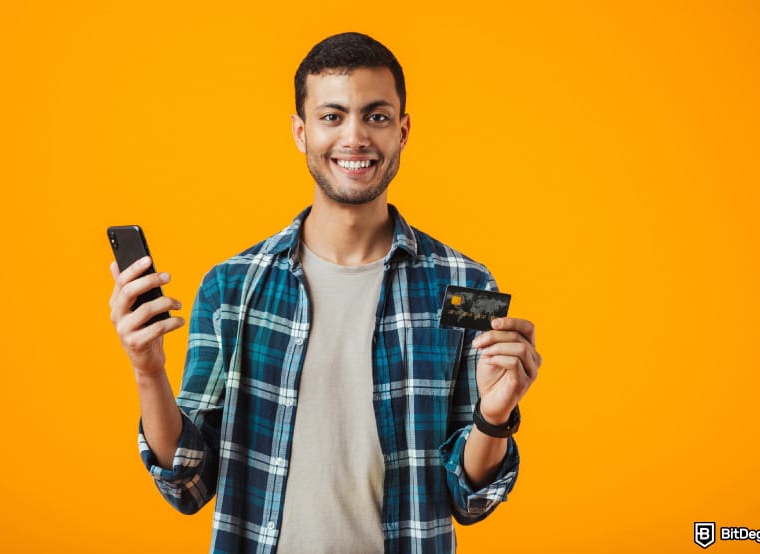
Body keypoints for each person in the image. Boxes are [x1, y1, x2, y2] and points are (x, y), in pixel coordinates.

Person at [109, 32, 542, 554]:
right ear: (300, 131)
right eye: (332, 117)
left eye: (376, 116)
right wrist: (148, 369)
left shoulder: (466, 288)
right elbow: (187, 484)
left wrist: (493, 418)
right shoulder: (231, 287)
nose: (355, 137)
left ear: (403, 130)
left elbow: (470, 498)